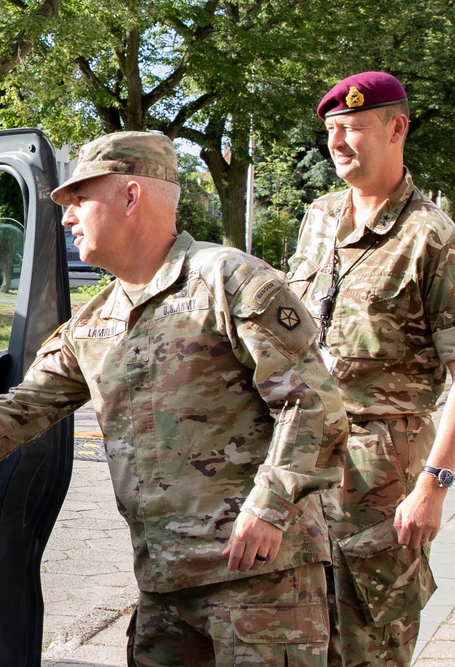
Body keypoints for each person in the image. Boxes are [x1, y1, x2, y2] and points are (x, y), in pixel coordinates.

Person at [0, 131, 349, 665]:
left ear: (131, 195)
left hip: (261, 583)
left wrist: (270, 506)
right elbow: (15, 412)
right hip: (163, 589)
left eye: (79, 200)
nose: (67, 217)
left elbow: (314, 405)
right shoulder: (97, 322)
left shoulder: (230, 282)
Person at [285, 71, 455, 667]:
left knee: (368, 648)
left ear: (397, 128)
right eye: (331, 131)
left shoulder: (431, 237)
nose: (337, 143)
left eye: (353, 128)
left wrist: (434, 488)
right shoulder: (319, 217)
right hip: (299, 469)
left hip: (381, 484)